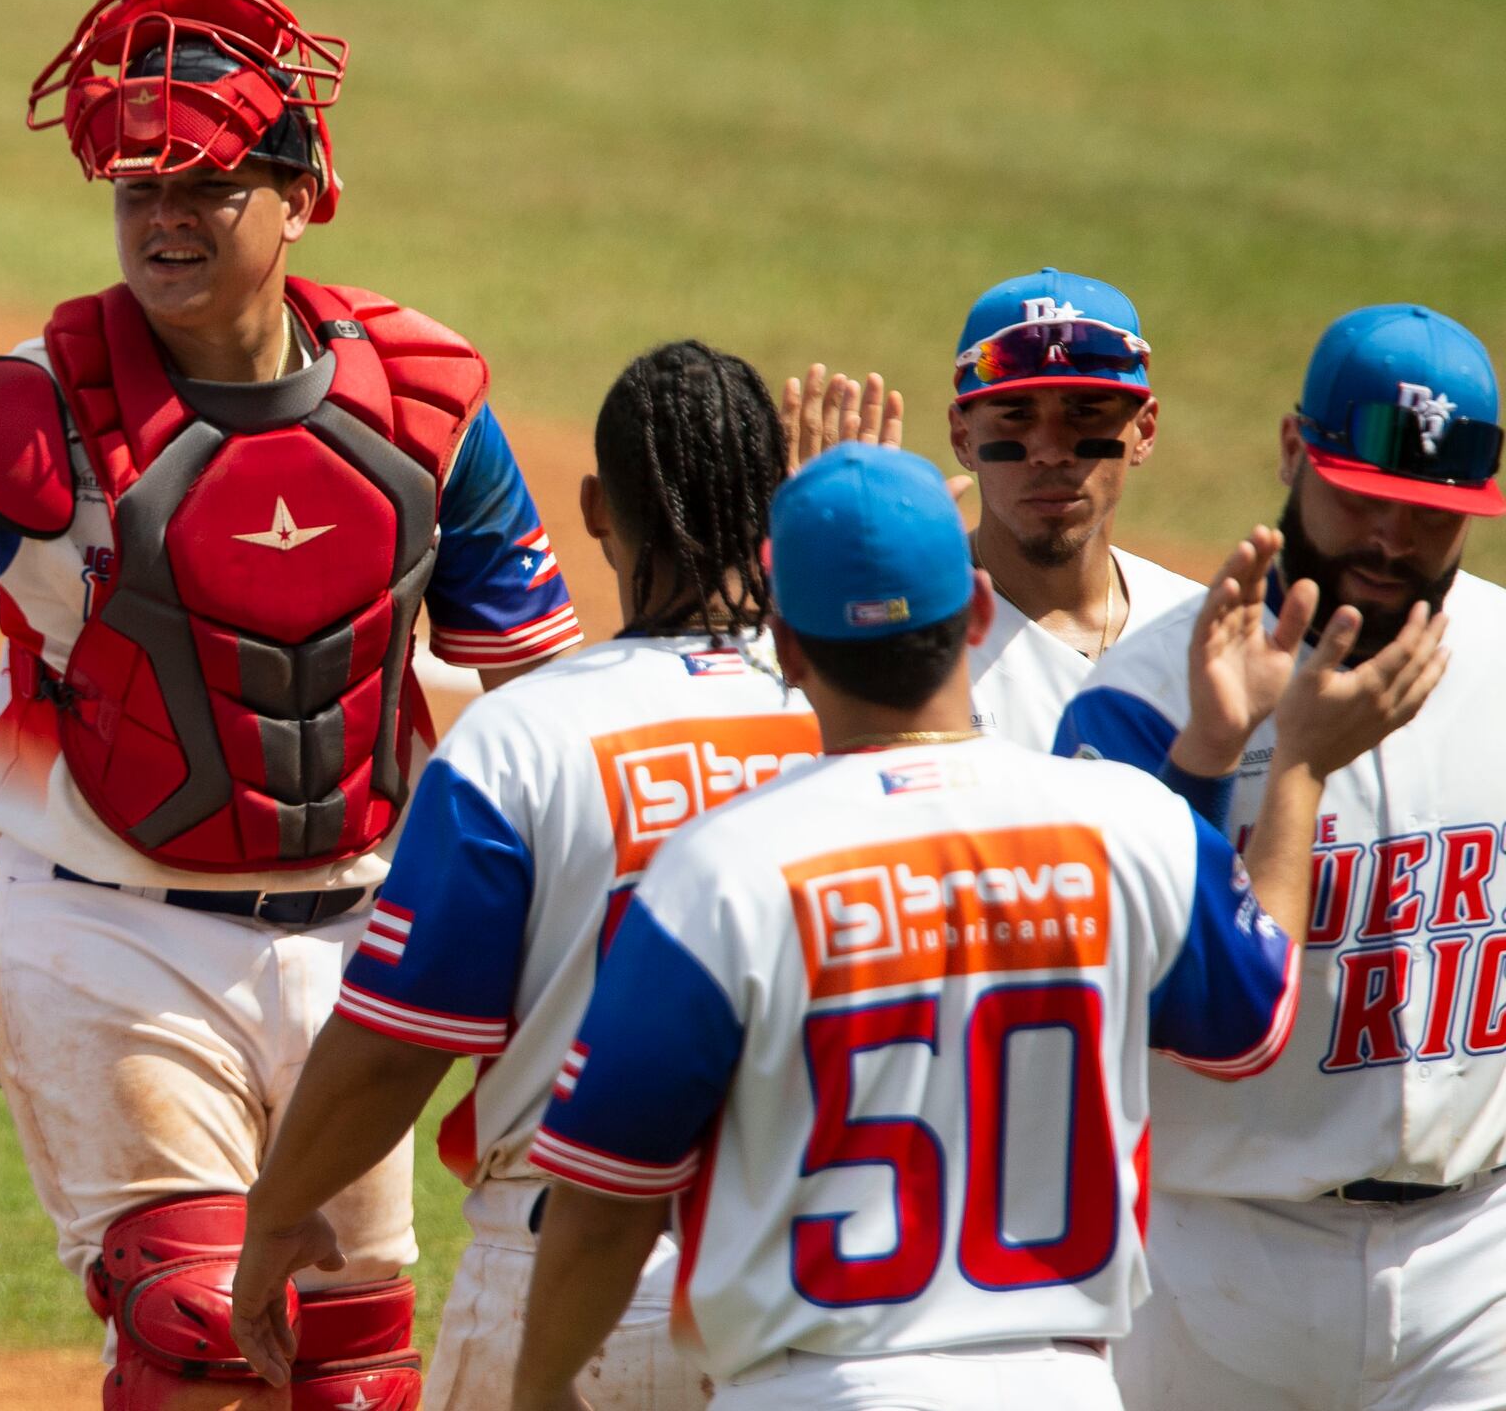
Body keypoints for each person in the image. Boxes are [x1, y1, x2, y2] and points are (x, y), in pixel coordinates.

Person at [511, 441, 1445, 1411]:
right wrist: (1289, 768)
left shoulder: (718, 872)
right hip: (1057, 1386)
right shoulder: (1124, 822)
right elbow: (1249, 1022)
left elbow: (605, 1199)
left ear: (786, 649)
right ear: (977, 615)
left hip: (812, 1388)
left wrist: (539, 1388)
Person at [0, 0, 582, 1407]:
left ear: (299, 195)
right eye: (136, 191)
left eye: (206, 186)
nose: (163, 221)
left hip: (359, 947)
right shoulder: (36, 409)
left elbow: (538, 684)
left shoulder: (422, 409)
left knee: (350, 1372)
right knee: (193, 1331)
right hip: (115, 931)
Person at [228, 340, 825, 1408]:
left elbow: (391, 1048)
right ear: (776, 507)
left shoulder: (523, 738)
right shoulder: (841, 722)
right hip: (812, 1283)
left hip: (567, 1275)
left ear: (596, 509)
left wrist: (277, 1209)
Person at [1056, 303, 1506, 1409]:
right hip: (1220, 1270)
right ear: (1293, 451)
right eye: (1360, 499)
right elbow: (1121, 991)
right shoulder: (1141, 699)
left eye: (1428, 514)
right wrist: (1210, 761)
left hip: (1476, 1266)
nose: (1391, 542)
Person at [948, 268, 1201, 747]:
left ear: (1143, 432)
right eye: (1016, 415)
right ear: (964, 437)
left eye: (1085, 412)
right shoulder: (907, 642)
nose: (1050, 449)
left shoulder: (1202, 634)